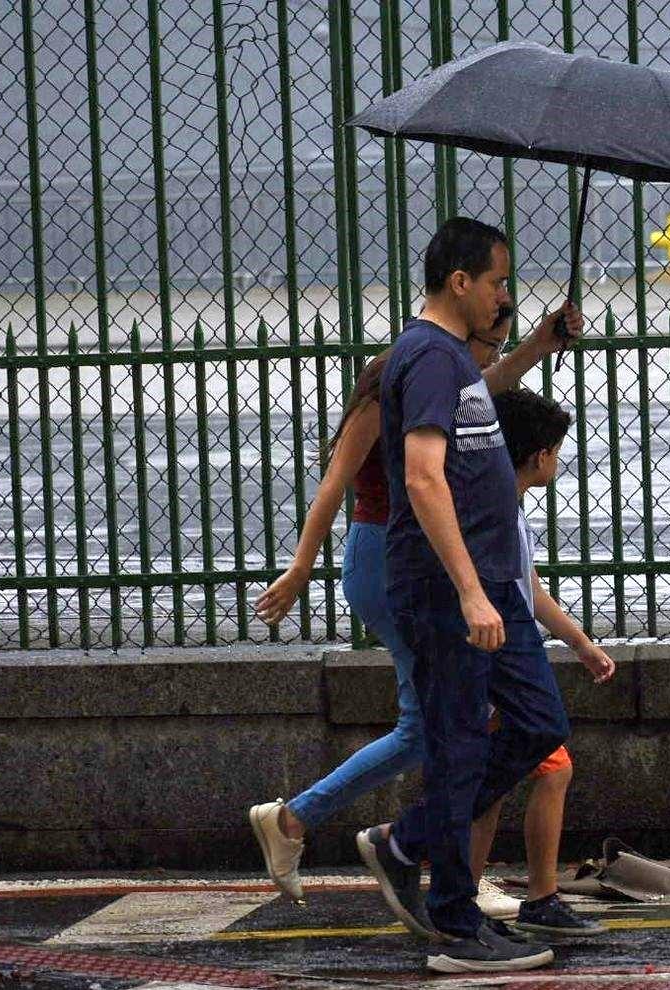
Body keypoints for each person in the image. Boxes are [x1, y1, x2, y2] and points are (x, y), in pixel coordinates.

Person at [247, 261, 583, 911]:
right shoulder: (389, 384)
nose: (490, 354)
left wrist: (539, 347)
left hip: (412, 562)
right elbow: (333, 484)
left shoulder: (445, 371)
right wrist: (299, 567)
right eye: (490, 335)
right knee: (439, 726)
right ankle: (385, 845)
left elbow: (489, 385)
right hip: (383, 560)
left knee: (442, 724)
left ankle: (349, 834)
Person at [356, 217, 574, 973]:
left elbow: (477, 401)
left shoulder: (450, 360)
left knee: (540, 720)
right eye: (498, 281)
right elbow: (421, 476)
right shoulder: (422, 354)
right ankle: (454, 924)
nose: (504, 294)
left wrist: (536, 348)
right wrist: (471, 593)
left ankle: (407, 841)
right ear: (460, 283)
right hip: (454, 591)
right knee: (458, 746)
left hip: (491, 588)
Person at [468, 387, 612, 939]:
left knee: (510, 777)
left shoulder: (505, 509)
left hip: (502, 660)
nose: (557, 459)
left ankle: (484, 895)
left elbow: (527, 587)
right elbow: (516, 589)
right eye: (555, 449)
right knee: (519, 775)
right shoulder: (502, 513)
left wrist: (577, 641)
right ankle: (528, 896)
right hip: (499, 664)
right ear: (538, 456)